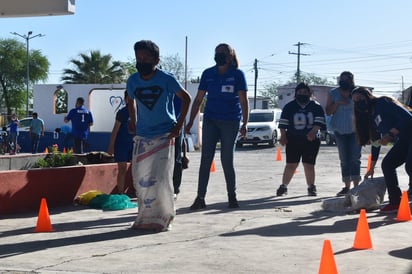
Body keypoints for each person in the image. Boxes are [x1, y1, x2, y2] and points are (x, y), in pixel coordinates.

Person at [126, 40, 191, 232]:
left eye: (146, 58)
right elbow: (129, 100)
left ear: (156, 60)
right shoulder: (133, 81)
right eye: (138, 58)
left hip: (165, 134)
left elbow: (185, 99)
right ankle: (145, 217)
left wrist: (178, 126)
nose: (142, 61)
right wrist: (133, 120)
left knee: (161, 178)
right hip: (144, 134)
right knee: (140, 177)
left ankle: (164, 217)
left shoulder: (166, 79)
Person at [186, 43, 249, 210]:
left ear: (229, 56)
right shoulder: (208, 73)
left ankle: (232, 196)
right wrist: (191, 121)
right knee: (206, 159)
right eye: (216, 52)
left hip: (230, 121)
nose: (219, 55)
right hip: (211, 120)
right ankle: (200, 197)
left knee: (227, 159)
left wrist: (245, 123)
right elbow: (198, 99)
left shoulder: (237, 74)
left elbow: (243, 100)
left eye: (222, 53)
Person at [352, 86, 412, 213]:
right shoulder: (371, 116)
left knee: (410, 166)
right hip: (405, 139)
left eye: (359, 98)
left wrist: (391, 134)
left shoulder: (382, 103)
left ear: (367, 95)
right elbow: (376, 143)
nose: (358, 102)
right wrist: (371, 167)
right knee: (388, 164)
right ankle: (395, 201)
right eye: (355, 101)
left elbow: (408, 117)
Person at [276, 82, 326, 197]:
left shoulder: (316, 106)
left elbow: (319, 122)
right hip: (293, 139)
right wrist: (283, 136)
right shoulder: (290, 106)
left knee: (309, 164)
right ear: (295, 93)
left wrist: (313, 132)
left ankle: (311, 186)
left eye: (304, 92)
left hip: (311, 140)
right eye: (299, 92)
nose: (302, 94)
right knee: (291, 164)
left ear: (309, 93)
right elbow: (283, 123)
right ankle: (284, 186)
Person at [325, 71, 362, 196]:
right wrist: (338, 103)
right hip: (339, 130)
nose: (344, 81)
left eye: (347, 79)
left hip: (355, 131)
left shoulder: (357, 92)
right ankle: (346, 186)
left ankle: (356, 186)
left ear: (351, 80)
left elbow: (365, 110)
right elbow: (328, 111)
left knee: (355, 158)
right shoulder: (333, 93)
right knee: (344, 159)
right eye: (342, 79)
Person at [107, 90, 134, 194]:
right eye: (129, 98)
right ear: (125, 99)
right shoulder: (122, 112)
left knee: (136, 169)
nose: (131, 100)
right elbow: (115, 130)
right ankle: (121, 193)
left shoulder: (141, 112)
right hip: (122, 144)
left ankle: (135, 191)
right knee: (122, 169)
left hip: (134, 144)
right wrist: (111, 146)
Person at [172, 95, 189, 200]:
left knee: (176, 158)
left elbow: (187, 101)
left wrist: (185, 155)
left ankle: (175, 188)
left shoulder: (178, 94)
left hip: (176, 125)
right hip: (160, 126)